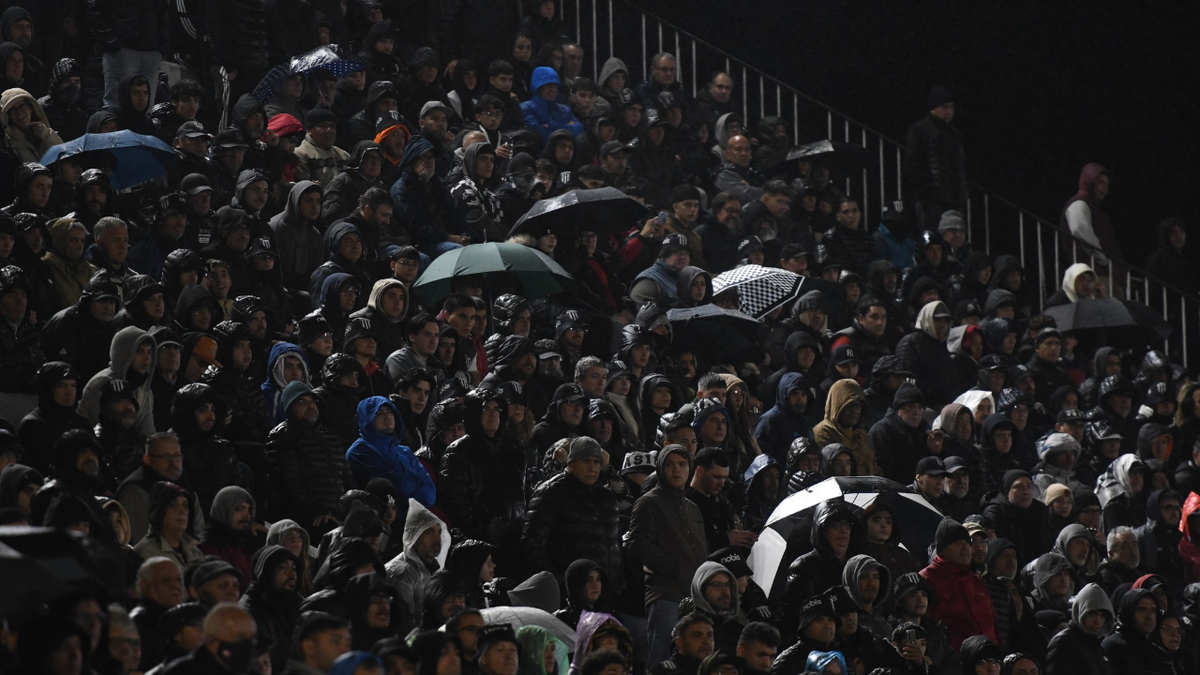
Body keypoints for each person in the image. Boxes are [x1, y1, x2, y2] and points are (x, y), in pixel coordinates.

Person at [628, 443, 709, 666]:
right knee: (662, 661)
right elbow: (638, 545)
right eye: (670, 464)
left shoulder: (692, 507)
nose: (676, 470)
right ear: (661, 468)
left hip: (694, 598)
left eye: (682, 464)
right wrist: (675, 569)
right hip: (665, 595)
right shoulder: (648, 503)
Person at [523, 436, 623, 587]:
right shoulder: (551, 492)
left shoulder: (606, 497)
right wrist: (560, 584)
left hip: (605, 591)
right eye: (585, 460)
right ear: (570, 464)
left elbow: (614, 547)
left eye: (597, 462)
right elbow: (533, 545)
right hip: (569, 591)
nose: (592, 467)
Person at [266, 380, 355, 528]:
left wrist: (351, 506)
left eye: (312, 400)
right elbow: (290, 484)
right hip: (307, 519)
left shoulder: (330, 437)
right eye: (302, 401)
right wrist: (317, 512)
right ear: (289, 407)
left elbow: (346, 477)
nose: (310, 405)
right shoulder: (282, 436)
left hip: (338, 514)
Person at [919, 518, 997, 649]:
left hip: (987, 660)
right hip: (952, 661)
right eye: (957, 542)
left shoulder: (976, 581)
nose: (965, 547)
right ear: (942, 549)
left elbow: (993, 623)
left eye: (967, 542)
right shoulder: (927, 579)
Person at [346, 396, 436, 506]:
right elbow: (389, 490)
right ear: (367, 418)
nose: (387, 416)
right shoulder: (359, 451)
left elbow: (428, 484)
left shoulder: (404, 451)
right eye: (378, 413)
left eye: (389, 411)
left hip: (418, 513)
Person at [903, 87, 968, 230]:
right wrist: (930, 189)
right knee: (933, 239)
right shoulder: (919, 130)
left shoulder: (954, 134)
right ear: (934, 107)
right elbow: (912, 167)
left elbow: (959, 168)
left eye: (951, 107)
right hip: (930, 200)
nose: (949, 112)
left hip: (952, 199)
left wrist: (962, 194)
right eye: (945, 107)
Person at [813, 378, 880, 476]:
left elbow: (875, 469)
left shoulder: (860, 435)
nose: (856, 410)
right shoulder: (824, 432)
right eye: (850, 405)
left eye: (858, 405)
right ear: (837, 405)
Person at [1045, 582, 1114, 675]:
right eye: (1092, 613)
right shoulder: (1064, 642)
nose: (1098, 621)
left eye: (1102, 616)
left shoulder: (1097, 647)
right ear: (1080, 611)